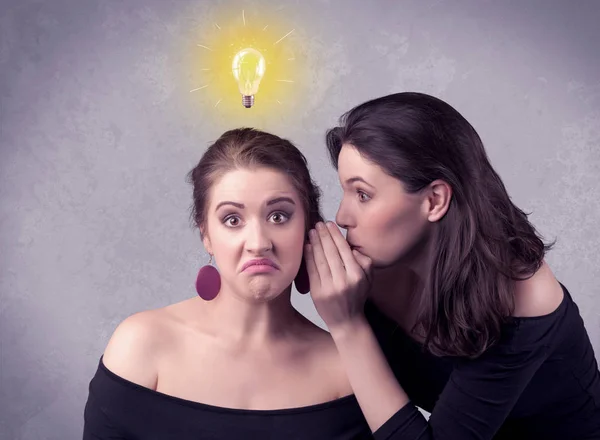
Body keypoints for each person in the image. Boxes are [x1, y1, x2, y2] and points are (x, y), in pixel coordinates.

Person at [304, 92, 600, 439]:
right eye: (345, 192)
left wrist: (348, 326)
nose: (341, 216)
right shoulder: (371, 262)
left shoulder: (522, 295)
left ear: (434, 200)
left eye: (363, 194)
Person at [82, 128, 372, 439]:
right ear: (206, 234)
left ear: (309, 227)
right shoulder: (141, 345)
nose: (258, 243)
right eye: (232, 219)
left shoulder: (347, 369)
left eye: (278, 216)